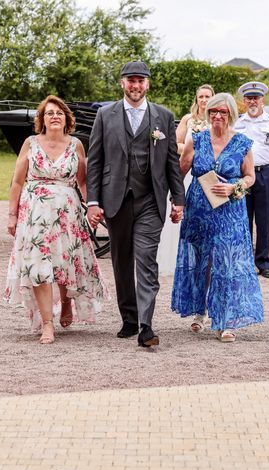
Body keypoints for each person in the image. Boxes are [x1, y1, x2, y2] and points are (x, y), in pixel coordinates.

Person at [86, 61, 185, 348]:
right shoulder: (106, 115)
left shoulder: (163, 117)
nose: (136, 85)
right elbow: (95, 161)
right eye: (131, 80)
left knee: (146, 260)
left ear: (148, 84)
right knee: (121, 260)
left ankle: (146, 325)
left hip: (150, 201)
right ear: (122, 83)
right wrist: (93, 201)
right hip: (115, 199)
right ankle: (128, 318)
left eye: (141, 80)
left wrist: (178, 200)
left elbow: (171, 163)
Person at [4, 95, 107, 345]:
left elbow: (82, 182)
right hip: (35, 216)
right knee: (38, 268)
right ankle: (47, 323)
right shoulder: (30, 143)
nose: (54, 116)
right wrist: (12, 214)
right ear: (42, 119)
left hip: (67, 215)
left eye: (59, 113)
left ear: (66, 119)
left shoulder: (76, 145)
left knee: (65, 261)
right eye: (49, 113)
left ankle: (67, 300)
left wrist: (92, 207)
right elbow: (18, 181)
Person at [171, 92, 264, 342]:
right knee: (202, 261)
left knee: (228, 263)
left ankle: (226, 320)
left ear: (231, 114)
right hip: (199, 210)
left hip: (229, 212)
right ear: (207, 113)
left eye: (223, 112)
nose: (218, 116)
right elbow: (180, 171)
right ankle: (199, 312)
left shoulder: (242, 142)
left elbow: (250, 177)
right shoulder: (197, 140)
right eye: (214, 111)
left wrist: (235, 188)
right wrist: (175, 202)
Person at [157, 84, 214, 276]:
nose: (204, 100)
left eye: (208, 97)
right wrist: (192, 149)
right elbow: (175, 143)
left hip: (208, 174)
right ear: (196, 100)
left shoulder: (217, 119)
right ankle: (178, 258)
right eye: (201, 97)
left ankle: (202, 259)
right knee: (183, 210)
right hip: (187, 171)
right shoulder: (189, 120)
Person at [234, 81, 269, 279]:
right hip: (243, 175)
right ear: (244, 101)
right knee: (243, 220)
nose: (252, 101)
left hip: (265, 173)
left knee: (264, 221)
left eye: (256, 97)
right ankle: (244, 262)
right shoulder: (237, 123)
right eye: (249, 98)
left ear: (262, 99)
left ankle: (264, 262)